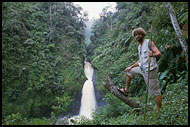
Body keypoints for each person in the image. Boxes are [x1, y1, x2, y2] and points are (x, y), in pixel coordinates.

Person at [118, 27, 162, 111]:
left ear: (143, 34)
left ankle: (158, 110)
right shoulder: (139, 46)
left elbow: (159, 53)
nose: (137, 36)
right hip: (142, 69)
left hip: (150, 70)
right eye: (135, 35)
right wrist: (131, 66)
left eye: (139, 34)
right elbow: (141, 60)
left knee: (155, 91)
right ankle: (126, 90)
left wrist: (152, 54)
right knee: (129, 72)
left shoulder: (149, 42)